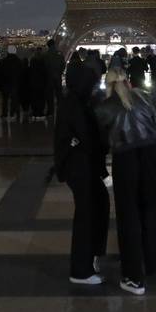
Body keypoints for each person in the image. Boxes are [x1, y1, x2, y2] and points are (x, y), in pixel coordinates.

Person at [93, 67, 156, 295]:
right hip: (150, 158)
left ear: (107, 84)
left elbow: (102, 143)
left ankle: (134, 277)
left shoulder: (104, 108)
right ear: (128, 81)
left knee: (129, 220)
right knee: (152, 215)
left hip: (125, 162)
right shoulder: (144, 99)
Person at [56, 52, 107, 285]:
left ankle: (89, 260)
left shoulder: (73, 101)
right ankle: (81, 270)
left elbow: (82, 137)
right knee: (86, 216)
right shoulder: (77, 104)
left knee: (92, 210)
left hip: (79, 165)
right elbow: (87, 137)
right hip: (80, 167)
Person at [0, 46, 24, 121]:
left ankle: (4, 114)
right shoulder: (18, 61)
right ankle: (13, 113)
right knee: (14, 99)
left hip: (5, 83)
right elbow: (21, 73)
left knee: (5, 99)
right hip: (15, 83)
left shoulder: (3, 61)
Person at [44, 40, 66, 118]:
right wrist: (60, 72)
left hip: (49, 78)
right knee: (59, 94)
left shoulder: (46, 55)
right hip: (58, 77)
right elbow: (63, 65)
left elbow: (44, 67)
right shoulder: (59, 54)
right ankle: (60, 110)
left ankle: (50, 111)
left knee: (49, 95)